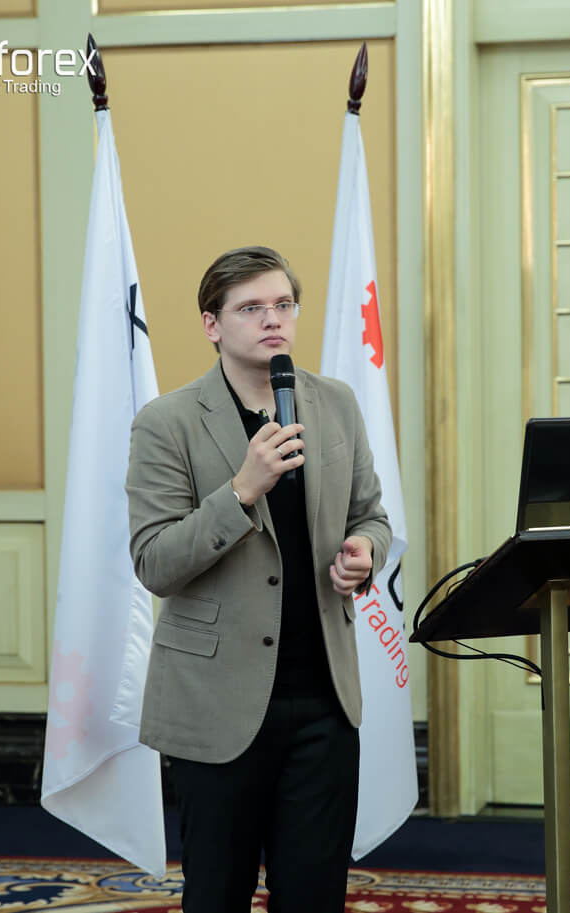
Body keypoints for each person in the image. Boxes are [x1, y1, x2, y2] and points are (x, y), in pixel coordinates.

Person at [125, 245, 392, 913]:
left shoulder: (336, 404)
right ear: (212, 324)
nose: (273, 319)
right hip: (217, 702)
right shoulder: (167, 422)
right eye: (250, 308)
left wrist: (364, 550)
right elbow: (155, 562)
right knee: (218, 894)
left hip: (324, 699)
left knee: (313, 896)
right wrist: (241, 490)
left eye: (282, 304)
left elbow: (371, 515)